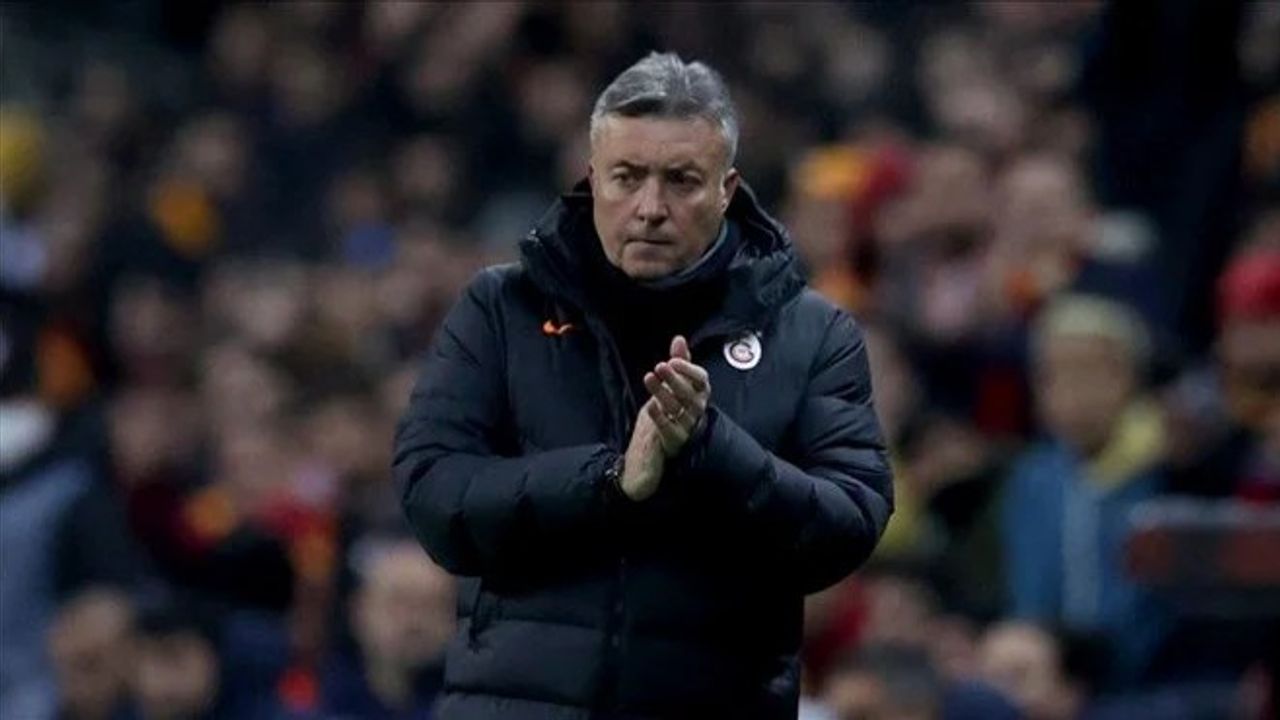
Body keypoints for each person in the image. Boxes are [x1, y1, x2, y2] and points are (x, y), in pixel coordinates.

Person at [394, 52, 893, 718]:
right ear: (592, 177)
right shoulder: (501, 308)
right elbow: (434, 496)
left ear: (727, 188)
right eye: (627, 177)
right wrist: (607, 481)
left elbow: (850, 524)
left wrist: (712, 448)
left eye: (681, 180)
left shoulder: (812, 333)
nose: (650, 208)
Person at [315, 538, 453, 719]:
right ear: (358, 610)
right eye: (399, 602)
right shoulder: (313, 700)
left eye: (433, 605)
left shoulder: (475, 707)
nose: (416, 620)